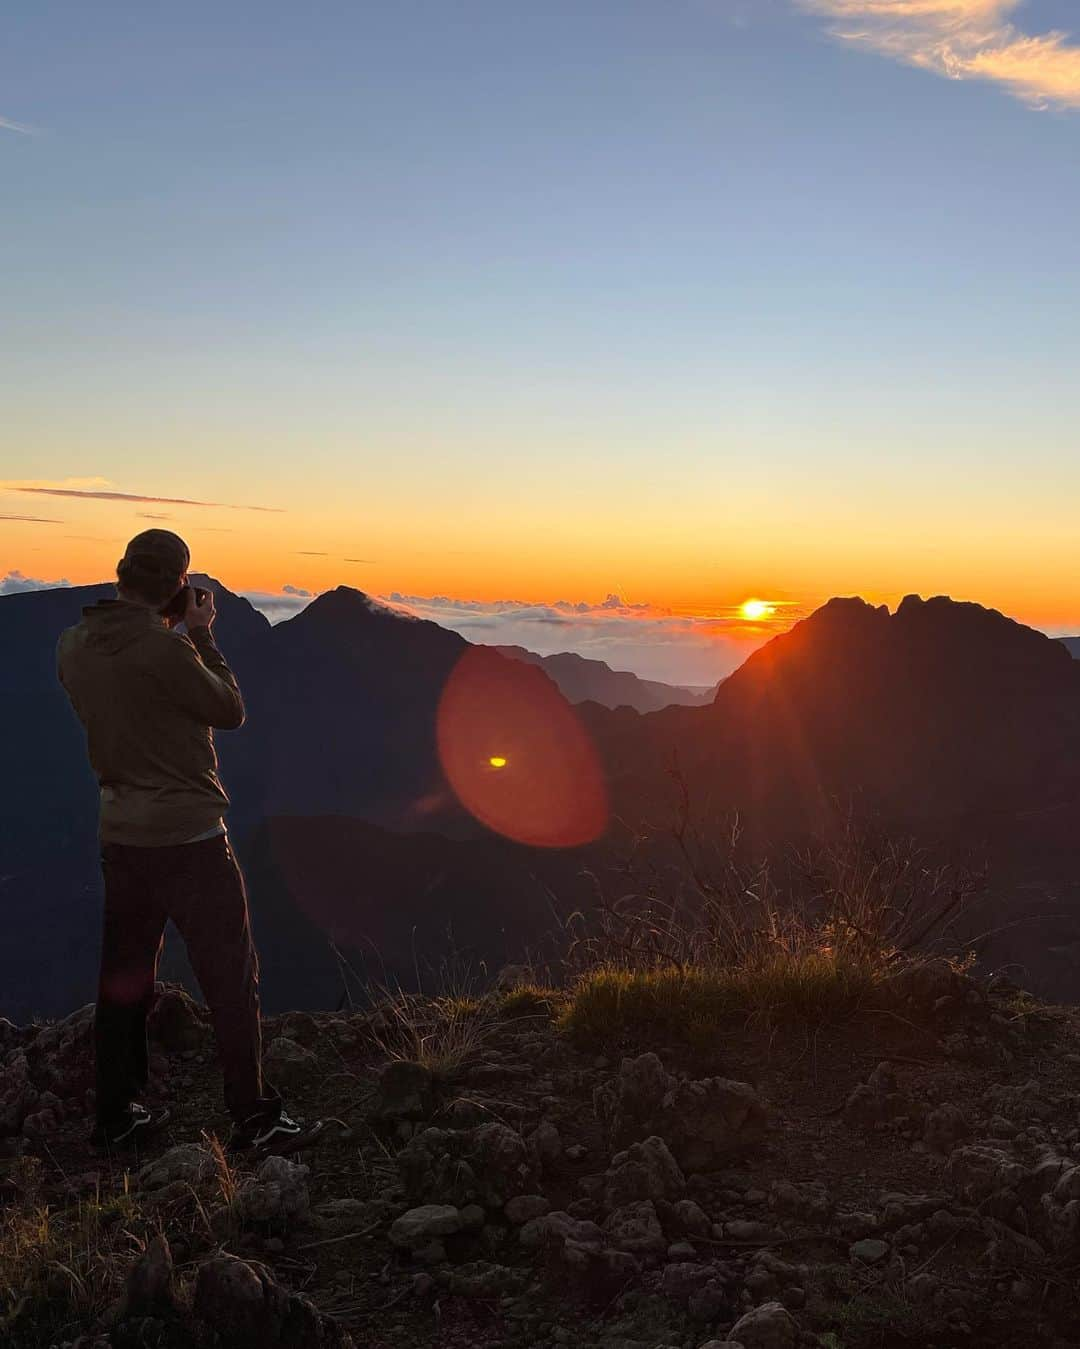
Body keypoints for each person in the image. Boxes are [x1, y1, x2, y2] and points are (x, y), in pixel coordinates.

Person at [57, 529, 321, 1153]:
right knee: (230, 975)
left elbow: (125, 697)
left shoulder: (72, 646)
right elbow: (229, 709)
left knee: (124, 980)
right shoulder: (169, 650)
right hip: (192, 838)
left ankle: (117, 1117)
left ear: (121, 573)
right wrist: (200, 634)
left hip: (121, 834)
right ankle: (252, 1117)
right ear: (178, 583)